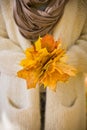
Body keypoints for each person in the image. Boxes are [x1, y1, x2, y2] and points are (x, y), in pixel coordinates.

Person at [0, 0, 87, 130]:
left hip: (67, 95)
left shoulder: (80, 3)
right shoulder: (4, 3)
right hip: (17, 95)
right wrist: (27, 64)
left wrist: (64, 62)